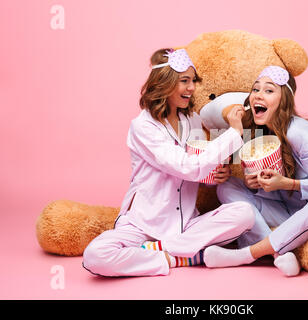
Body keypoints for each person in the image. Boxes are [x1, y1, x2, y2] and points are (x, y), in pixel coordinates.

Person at [82, 48, 254, 277]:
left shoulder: (192, 120)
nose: (192, 88)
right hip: (143, 226)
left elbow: (198, 168)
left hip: (185, 226)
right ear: (165, 83)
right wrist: (233, 133)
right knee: (96, 255)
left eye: (193, 81)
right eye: (184, 81)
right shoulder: (143, 127)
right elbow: (187, 167)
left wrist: (213, 179)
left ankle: (167, 253)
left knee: (245, 213)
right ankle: (178, 258)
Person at [203, 66, 308, 276]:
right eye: (255, 90)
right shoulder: (261, 132)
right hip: (290, 215)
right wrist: (257, 185)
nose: (258, 95)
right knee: (228, 186)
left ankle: (247, 254)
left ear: (284, 99)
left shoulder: (306, 136)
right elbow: (206, 113)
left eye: (269, 90)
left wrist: (287, 183)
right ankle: (280, 253)